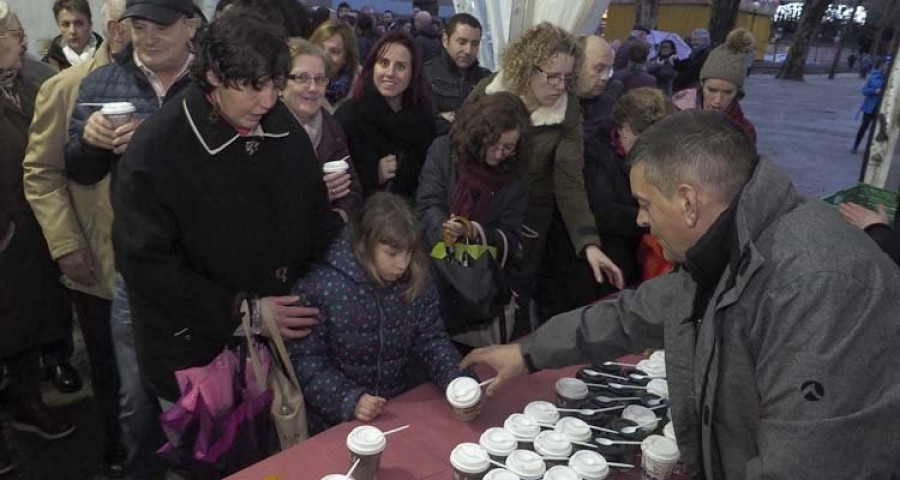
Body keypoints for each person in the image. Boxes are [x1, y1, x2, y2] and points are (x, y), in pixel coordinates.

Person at [462, 109, 900, 479]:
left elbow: (804, 463)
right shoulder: (732, 243)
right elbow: (634, 313)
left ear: (689, 202)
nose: (640, 220)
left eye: (646, 204)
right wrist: (528, 352)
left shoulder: (818, 288)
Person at [113, 7, 343, 414]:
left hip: (276, 343)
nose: (268, 100)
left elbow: (313, 218)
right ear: (214, 77)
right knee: (212, 458)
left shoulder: (281, 125)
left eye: (274, 84)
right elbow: (146, 264)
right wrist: (246, 311)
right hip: (194, 351)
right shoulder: (158, 148)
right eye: (252, 87)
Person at [22, 0, 131, 476]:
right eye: (132, 21)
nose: (145, 33)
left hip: (163, 266)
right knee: (108, 369)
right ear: (110, 25)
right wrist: (66, 245)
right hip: (98, 262)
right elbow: (41, 174)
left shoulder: (177, 87)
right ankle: (118, 448)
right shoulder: (65, 88)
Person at [469, 22, 624, 332]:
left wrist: (588, 243)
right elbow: (458, 152)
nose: (559, 86)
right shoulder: (487, 93)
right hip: (479, 213)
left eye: (568, 78)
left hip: (529, 225)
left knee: (514, 299)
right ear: (527, 67)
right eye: (552, 76)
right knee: (472, 291)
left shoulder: (568, 111)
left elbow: (569, 183)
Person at [289, 192, 468, 433]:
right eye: (392, 254)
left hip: (395, 410)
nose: (403, 264)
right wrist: (348, 399)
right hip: (335, 423)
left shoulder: (415, 279)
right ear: (364, 244)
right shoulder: (322, 288)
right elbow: (305, 360)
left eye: (409, 252)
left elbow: (431, 339)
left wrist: (456, 378)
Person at [0, 2, 77, 475]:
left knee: (27, 327)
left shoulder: (33, 81)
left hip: (31, 234)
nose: (11, 40)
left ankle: (27, 403)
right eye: (3, 33)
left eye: (12, 32)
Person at [538, 87, 675, 317]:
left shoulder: (646, 157)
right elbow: (602, 212)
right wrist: (655, 217)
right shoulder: (591, 153)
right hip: (585, 272)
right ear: (623, 128)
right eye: (641, 137)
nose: (650, 147)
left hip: (626, 265)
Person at [416, 93, 531, 338]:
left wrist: (474, 232)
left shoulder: (517, 174)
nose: (499, 154)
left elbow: (512, 236)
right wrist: (446, 230)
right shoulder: (444, 151)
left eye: (508, 148)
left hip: (481, 289)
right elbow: (427, 205)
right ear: (479, 135)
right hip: (435, 276)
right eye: (494, 144)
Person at [335, 32, 436, 198]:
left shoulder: (424, 121)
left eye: (401, 67)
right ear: (372, 66)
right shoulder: (349, 117)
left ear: (413, 74)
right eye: (383, 63)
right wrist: (373, 176)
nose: (390, 73)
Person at [282, 38, 363, 222]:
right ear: (281, 83)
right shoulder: (267, 131)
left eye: (320, 79)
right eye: (301, 78)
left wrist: (339, 216)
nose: (313, 88)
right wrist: (316, 196)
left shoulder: (331, 126)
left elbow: (354, 191)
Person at [673, 28, 756, 144]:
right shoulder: (673, 116)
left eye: (727, 92)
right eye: (712, 90)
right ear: (702, 85)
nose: (718, 100)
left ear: (738, 92)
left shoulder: (744, 131)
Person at [423, 12, 490, 135]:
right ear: (445, 40)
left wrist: (452, 117)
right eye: (462, 42)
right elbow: (426, 123)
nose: (468, 50)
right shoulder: (426, 74)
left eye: (475, 44)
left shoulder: (486, 79)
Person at [310, 20, 360, 108]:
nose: (324, 56)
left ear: (347, 58)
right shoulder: (295, 83)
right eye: (319, 48)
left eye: (334, 51)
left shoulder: (359, 90)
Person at [43, 0, 104, 71]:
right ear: (58, 26)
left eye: (79, 24)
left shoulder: (109, 58)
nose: (72, 31)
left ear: (90, 24)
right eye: (65, 25)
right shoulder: (47, 65)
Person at [575, 35, 616, 141]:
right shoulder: (551, 101)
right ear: (576, 65)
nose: (605, 77)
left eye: (609, 69)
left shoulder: (610, 108)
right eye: (599, 69)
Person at [852, 60, 888, 153]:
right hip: (869, 107)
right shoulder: (874, 76)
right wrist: (874, 91)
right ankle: (855, 146)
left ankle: (872, 150)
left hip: (883, 109)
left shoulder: (893, 79)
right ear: (882, 66)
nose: (886, 67)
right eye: (885, 65)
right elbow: (864, 91)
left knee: (877, 130)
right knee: (863, 127)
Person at [672, 28, 711, 92]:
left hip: (691, 87)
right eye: (692, 40)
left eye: (695, 40)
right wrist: (676, 61)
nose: (692, 43)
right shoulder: (695, 53)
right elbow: (686, 65)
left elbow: (692, 69)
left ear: (705, 40)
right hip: (685, 86)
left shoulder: (705, 54)